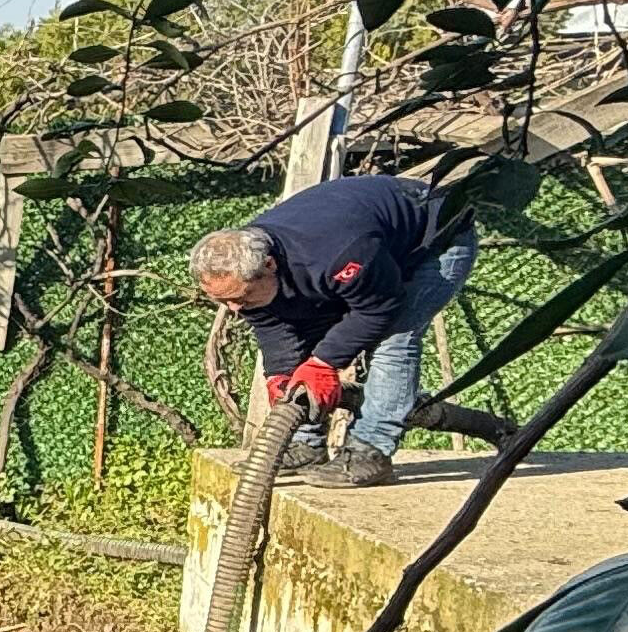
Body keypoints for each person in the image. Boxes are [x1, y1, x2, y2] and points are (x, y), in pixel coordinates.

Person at [186, 174, 517, 487]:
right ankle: (305, 446)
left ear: (269, 265)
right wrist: (281, 376)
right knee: (303, 361)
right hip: (375, 249)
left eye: (238, 297)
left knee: (395, 338)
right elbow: (274, 321)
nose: (233, 309)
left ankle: (370, 452)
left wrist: (323, 363)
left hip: (436, 241)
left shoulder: (336, 252)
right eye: (223, 301)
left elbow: (380, 307)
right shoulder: (251, 260)